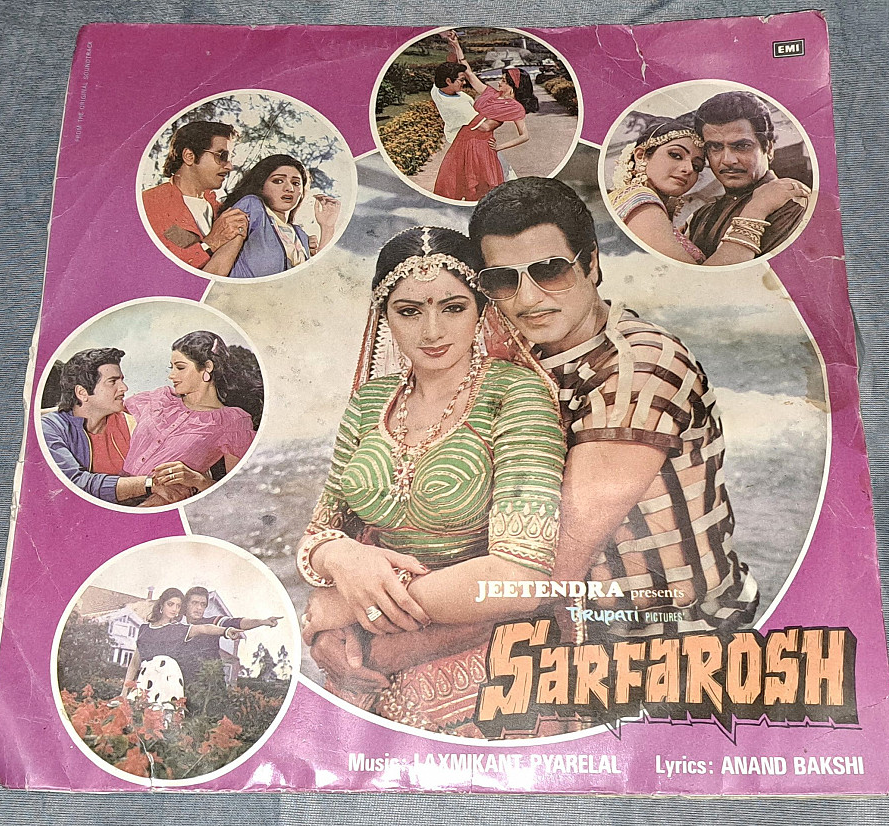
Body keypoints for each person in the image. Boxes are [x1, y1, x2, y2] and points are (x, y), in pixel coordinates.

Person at [312, 180, 760, 734]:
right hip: (544, 627)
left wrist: (357, 623)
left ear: (592, 265)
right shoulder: (509, 356)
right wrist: (344, 569)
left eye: (550, 270)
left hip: (665, 642)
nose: (527, 299)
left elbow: (546, 571)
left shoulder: (637, 370)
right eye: (503, 280)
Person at [298, 226, 566, 736]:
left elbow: (520, 577)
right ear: (385, 316)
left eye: (453, 307)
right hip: (370, 665)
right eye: (409, 311)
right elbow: (320, 532)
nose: (432, 331)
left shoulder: (514, 393)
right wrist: (340, 559)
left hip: (490, 658)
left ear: (481, 311)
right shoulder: (370, 402)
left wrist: (348, 604)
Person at [610, 115, 810, 265]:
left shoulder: (695, 217)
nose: (688, 169)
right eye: (676, 155)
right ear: (641, 155)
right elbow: (703, 281)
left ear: (769, 149)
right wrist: (757, 208)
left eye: (697, 166)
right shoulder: (640, 200)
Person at [122, 331, 262, 506]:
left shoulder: (233, 421)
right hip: (117, 489)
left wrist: (197, 480)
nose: (171, 375)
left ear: (207, 367)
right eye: (171, 368)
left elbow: (236, 493)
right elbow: (109, 413)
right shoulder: (160, 399)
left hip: (157, 504)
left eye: (180, 368)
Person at [41, 348, 194, 504]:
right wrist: (148, 484)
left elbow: (173, 478)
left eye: (121, 380)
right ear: (82, 393)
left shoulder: (133, 421)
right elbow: (73, 484)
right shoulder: (51, 428)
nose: (124, 388)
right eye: (113, 381)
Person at [687, 91, 811, 260]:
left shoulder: (793, 205)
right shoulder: (701, 216)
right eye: (715, 147)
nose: (728, 160)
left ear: (769, 149)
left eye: (742, 146)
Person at [141, 121, 249, 275]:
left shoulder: (221, 210)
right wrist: (211, 243)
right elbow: (159, 270)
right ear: (189, 156)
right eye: (222, 156)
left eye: (230, 158)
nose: (229, 166)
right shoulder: (150, 204)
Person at [432, 46, 536, 202]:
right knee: (452, 182)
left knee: (479, 188)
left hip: (480, 147)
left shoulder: (515, 107)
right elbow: (469, 73)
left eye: (503, 81)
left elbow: (524, 135)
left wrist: (500, 147)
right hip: (462, 140)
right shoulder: (491, 93)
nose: (499, 82)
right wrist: (457, 45)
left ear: (512, 86)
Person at [217, 154, 341, 279]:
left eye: (296, 183)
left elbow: (318, 278)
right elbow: (218, 270)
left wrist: (327, 227)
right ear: (260, 186)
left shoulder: (300, 235)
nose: (289, 188)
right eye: (278, 181)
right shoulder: (251, 207)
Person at [119, 588, 240, 704]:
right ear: (161, 604)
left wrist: (226, 631)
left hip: (168, 684)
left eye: (178, 606)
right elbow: (134, 664)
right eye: (170, 604)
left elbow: (204, 628)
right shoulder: (144, 629)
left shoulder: (178, 629)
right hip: (145, 681)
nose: (174, 609)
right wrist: (124, 692)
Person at [175, 586, 282, 688]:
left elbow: (236, 622)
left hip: (210, 686)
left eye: (203, 604)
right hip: (183, 685)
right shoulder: (175, 628)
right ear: (186, 605)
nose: (199, 608)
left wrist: (262, 622)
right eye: (194, 603)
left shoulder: (212, 622)